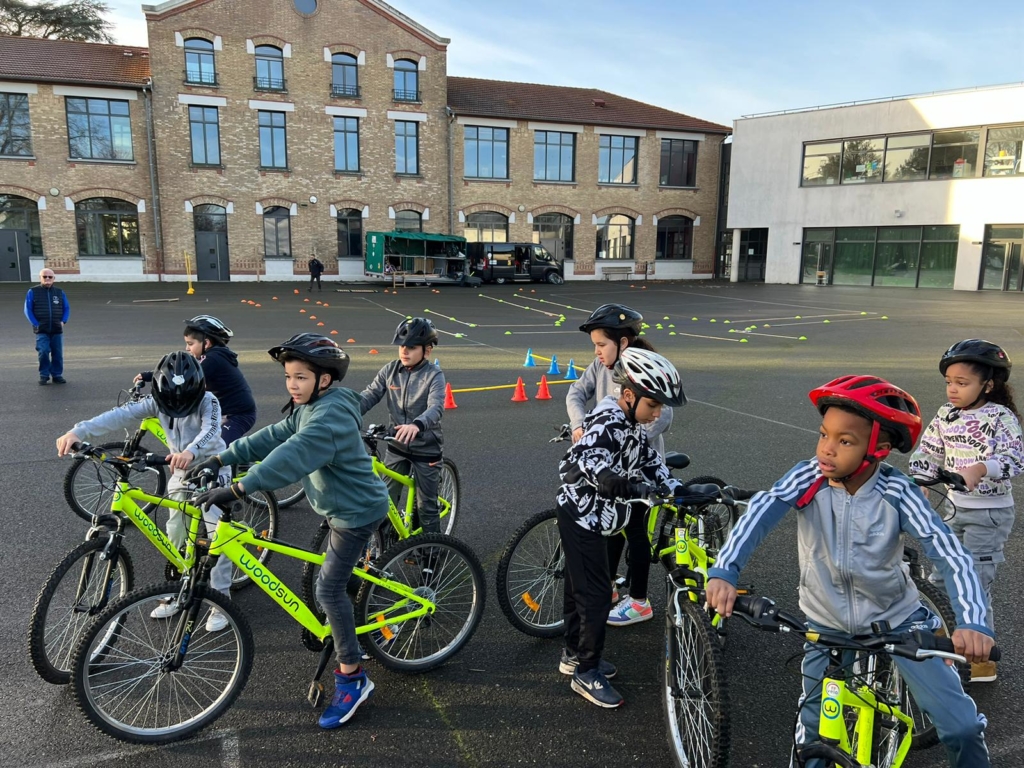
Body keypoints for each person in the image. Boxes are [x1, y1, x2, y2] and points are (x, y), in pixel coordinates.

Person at [706, 375, 995, 768]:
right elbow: (761, 511)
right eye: (824, 434)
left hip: (898, 622)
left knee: (961, 727)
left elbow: (949, 552)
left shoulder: (898, 491)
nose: (826, 448)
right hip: (825, 624)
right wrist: (724, 570)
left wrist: (973, 622)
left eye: (845, 441)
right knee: (813, 738)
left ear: (879, 449)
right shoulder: (809, 477)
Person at [187, 333, 388, 729]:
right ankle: (375, 615)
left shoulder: (327, 418)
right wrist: (222, 458)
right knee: (337, 578)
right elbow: (274, 436)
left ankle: (353, 678)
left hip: (356, 512)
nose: (292, 385)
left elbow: (290, 457)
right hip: (338, 505)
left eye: (300, 377)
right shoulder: (309, 407)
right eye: (288, 377)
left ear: (324, 380)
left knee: (327, 589)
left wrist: (239, 487)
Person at [55, 351, 234, 632]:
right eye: (169, 404)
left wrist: (191, 451)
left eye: (185, 403)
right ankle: (178, 589)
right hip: (181, 471)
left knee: (217, 536)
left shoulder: (208, 400)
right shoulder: (155, 402)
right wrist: (79, 431)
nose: (176, 408)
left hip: (212, 468)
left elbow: (211, 429)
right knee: (175, 531)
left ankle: (221, 599)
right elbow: (119, 414)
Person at [556, 348, 687, 708]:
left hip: (595, 517)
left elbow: (648, 460)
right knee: (596, 595)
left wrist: (676, 489)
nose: (657, 413)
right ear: (629, 395)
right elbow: (591, 461)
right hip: (582, 516)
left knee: (578, 587)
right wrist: (618, 483)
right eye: (653, 404)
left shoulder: (631, 425)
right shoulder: (607, 421)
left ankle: (574, 655)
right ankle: (587, 671)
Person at [910, 339, 1023, 683]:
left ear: (987, 385)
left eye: (962, 383)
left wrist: (981, 468)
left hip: (989, 514)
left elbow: (1014, 458)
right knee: (942, 575)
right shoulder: (947, 414)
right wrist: (921, 481)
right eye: (949, 382)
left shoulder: (1000, 417)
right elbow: (929, 451)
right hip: (953, 509)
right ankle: (945, 636)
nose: (953, 389)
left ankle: (981, 658)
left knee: (973, 582)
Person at [566, 303, 676, 626]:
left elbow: (664, 413)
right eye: (595, 345)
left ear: (622, 342)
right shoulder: (600, 367)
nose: (597, 352)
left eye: (601, 344)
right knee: (611, 529)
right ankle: (610, 585)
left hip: (639, 467)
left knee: (635, 530)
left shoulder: (644, 368)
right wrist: (579, 425)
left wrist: (627, 438)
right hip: (610, 468)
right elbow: (575, 393)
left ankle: (640, 601)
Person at [359, 318, 445, 534]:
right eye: (401, 346)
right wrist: (345, 412)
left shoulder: (434, 375)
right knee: (384, 501)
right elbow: (369, 395)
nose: (404, 351)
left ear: (427, 351)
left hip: (426, 448)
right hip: (397, 444)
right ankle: (386, 545)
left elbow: (436, 407)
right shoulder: (390, 370)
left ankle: (433, 552)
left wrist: (417, 425)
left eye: (412, 347)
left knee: (426, 507)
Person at [137, 316, 257, 446]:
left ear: (207, 343)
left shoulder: (213, 359)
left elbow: (184, 378)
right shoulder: (211, 356)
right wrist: (150, 375)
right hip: (219, 412)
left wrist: (153, 383)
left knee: (214, 450)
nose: (187, 348)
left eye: (190, 344)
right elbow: (180, 371)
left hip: (236, 416)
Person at [24, 268, 69, 385]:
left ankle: (57, 375)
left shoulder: (59, 292)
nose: (47, 279)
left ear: (54, 278)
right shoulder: (32, 291)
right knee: (43, 351)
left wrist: (63, 321)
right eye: (45, 277)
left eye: (50, 277)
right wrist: (35, 323)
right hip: (41, 329)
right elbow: (28, 309)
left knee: (57, 354)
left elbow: (66, 308)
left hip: (56, 328)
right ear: (40, 278)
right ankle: (44, 375)